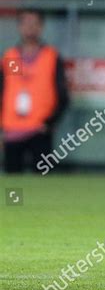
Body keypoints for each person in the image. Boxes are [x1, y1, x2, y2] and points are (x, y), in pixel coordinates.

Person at [0, 10, 69, 173]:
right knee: (13, 183)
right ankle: (16, 201)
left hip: (40, 129)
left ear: (41, 27)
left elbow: (63, 95)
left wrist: (50, 122)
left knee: (42, 179)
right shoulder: (11, 57)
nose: (30, 28)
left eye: (34, 23)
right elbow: (8, 88)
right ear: (19, 27)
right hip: (13, 129)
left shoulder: (51, 56)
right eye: (26, 23)